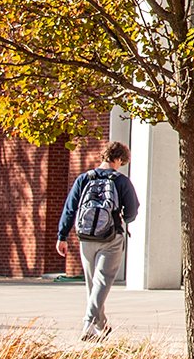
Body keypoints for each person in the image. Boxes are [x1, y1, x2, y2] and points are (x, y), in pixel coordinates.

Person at [56, 141, 140, 340]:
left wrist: (62, 236)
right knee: (102, 281)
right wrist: (123, 219)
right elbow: (132, 211)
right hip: (111, 237)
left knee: (92, 284)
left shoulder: (84, 178)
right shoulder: (121, 181)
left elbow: (70, 208)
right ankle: (88, 323)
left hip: (85, 237)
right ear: (118, 159)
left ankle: (100, 325)